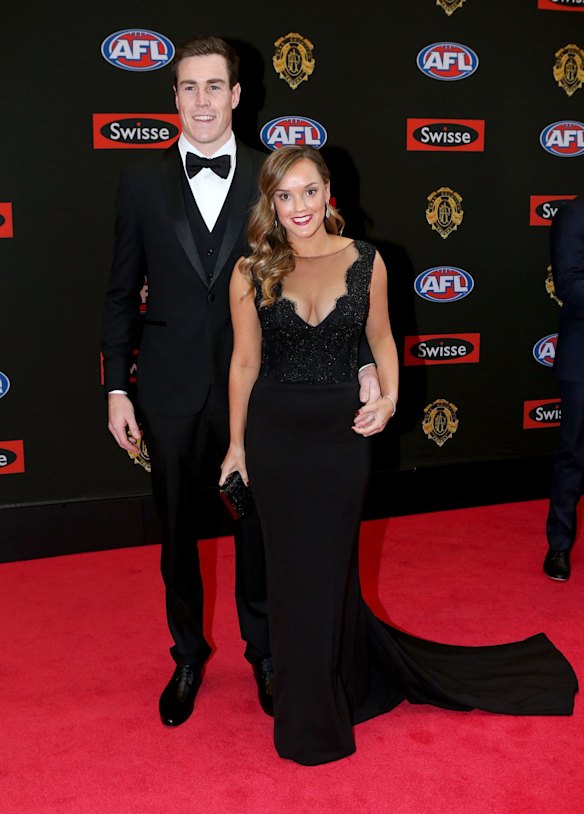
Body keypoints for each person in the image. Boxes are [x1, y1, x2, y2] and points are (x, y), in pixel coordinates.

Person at [220, 145, 578, 766]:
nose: (299, 206)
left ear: (329, 191)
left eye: (309, 191)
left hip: (341, 440)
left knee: (330, 569)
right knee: (290, 572)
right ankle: (313, 706)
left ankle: (341, 685)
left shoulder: (366, 260)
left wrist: (386, 401)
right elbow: (245, 363)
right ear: (270, 203)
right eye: (285, 195)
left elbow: (384, 339)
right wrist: (234, 446)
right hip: (276, 439)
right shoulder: (253, 269)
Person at [101, 35, 380, 728]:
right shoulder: (140, 183)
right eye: (187, 87)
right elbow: (119, 292)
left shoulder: (269, 175)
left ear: (236, 95)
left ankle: (265, 652)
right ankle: (188, 653)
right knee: (173, 529)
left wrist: (366, 358)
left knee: (260, 527)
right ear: (174, 98)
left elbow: (329, 269)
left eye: (213, 87)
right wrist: (115, 387)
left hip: (259, 390)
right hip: (166, 389)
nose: (201, 100)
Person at [544, 195, 584, 582]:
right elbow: (569, 284)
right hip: (582, 356)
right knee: (574, 452)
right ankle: (558, 545)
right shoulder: (574, 214)